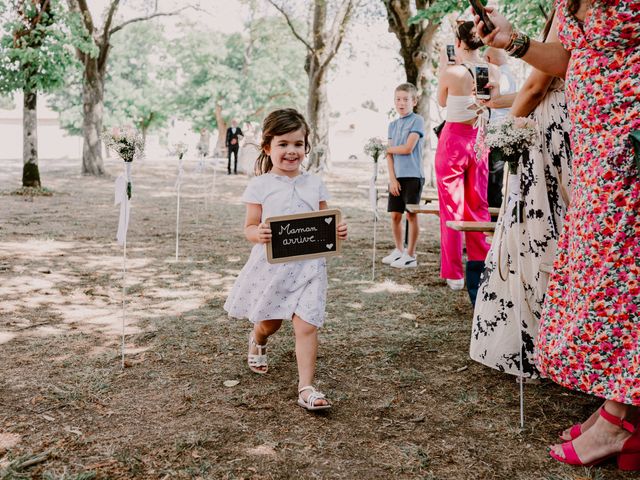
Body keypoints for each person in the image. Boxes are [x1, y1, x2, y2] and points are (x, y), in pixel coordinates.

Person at [476, 1, 640, 470]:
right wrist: (512, 40)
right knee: (600, 277)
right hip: (592, 152)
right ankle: (620, 407)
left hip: (631, 152)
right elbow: (570, 60)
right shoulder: (570, 4)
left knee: (622, 278)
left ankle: (619, 419)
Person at [470, 9, 572, 382]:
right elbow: (533, 84)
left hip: (547, 135)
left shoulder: (569, 12)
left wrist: (506, 132)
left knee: (534, 228)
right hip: (558, 123)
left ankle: (536, 342)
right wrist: (495, 105)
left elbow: (536, 88)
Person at [223, 108, 348, 411]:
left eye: (297, 144)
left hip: (310, 266)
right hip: (274, 267)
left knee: (306, 325)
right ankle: (258, 338)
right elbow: (249, 227)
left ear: (306, 147)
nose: (291, 151)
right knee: (271, 323)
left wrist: (338, 229)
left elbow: (323, 221)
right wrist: (259, 233)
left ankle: (306, 387)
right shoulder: (260, 185)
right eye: (283, 144)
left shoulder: (314, 183)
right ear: (268, 147)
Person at [434, 21, 498, 292]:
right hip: (480, 139)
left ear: (458, 43)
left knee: (451, 205)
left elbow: (441, 101)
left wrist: (443, 66)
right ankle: (479, 262)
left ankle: (454, 273)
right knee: (477, 203)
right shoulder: (491, 69)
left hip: (454, 140)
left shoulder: (452, 72)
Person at [381, 83, 426, 269]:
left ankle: (411, 254)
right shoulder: (392, 125)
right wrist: (392, 179)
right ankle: (399, 250)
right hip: (397, 178)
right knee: (395, 216)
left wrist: (384, 148)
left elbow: (407, 149)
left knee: (411, 215)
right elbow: (389, 155)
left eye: (406, 99)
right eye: (398, 99)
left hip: (413, 176)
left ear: (414, 101)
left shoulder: (417, 120)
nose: (401, 103)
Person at [484, 47, 518, 219]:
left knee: (494, 180)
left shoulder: (501, 76)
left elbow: (496, 102)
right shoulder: (509, 74)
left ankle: (494, 218)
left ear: (489, 59)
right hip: (502, 130)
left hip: (498, 132)